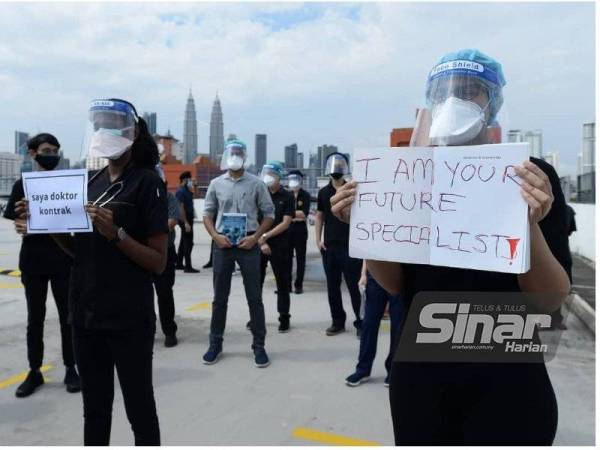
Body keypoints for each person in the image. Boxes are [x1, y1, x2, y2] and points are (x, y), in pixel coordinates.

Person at [330, 49, 571, 445]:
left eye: (472, 91)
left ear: (493, 104)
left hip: (508, 363)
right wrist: (368, 228)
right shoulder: (407, 173)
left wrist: (525, 224)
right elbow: (395, 283)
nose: (455, 100)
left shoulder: (530, 175)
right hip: (424, 363)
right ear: (430, 102)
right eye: (444, 93)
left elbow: (547, 299)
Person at [16, 99, 167, 445]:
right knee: (94, 410)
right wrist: (45, 224)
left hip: (128, 318)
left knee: (139, 409)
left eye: (115, 124)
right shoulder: (88, 181)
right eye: (100, 125)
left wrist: (117, 234)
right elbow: (77, 250)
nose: (107, 131)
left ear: (133, 131)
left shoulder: (147, 184)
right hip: (85, 315)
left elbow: (157, 261)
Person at [4, 133, 81, 398]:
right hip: (34, 260)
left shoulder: (69, 184)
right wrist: (22, 223)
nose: (53, 154)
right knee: (34, 318)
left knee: (67, 317)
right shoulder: (21, 186)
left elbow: (78, 217)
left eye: (56, 150)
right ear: (33, 153)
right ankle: (34, 370)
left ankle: (72, 368)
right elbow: (16, 221)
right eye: (47, 150)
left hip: (63, 259)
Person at [202, 139, 275, 367]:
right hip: (223, 244)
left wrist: (256, 237)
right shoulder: (216, 184)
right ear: (225, 155)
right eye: (231, 153)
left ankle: (259, 346)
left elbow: (269, 214)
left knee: (254, 297)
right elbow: (207, 214)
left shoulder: (256, 184)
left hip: (248, 243)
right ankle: (215, 344)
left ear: (245, 156)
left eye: (238, 153)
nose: (234, 156)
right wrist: (215, 236)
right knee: (219, 299)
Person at [315, 152, 363, 337]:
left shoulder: (352, 189)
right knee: (332, 286)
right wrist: (318, 240)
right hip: (329, 247)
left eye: (340, 166)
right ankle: (337, 321)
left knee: (354, 286)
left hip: (350, 246)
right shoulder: (323, 192)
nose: (336, 170)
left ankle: (360, 322)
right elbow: (319, 216)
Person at [345, 261, 406, 388]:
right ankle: (363, 369)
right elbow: (368, 247)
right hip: (375, 275)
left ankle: (393, 370)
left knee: (398, 325)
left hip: (399, 274)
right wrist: (364, 274)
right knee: (369, 324)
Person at [257, 162, 294, 332]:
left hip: (280, 245)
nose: (268, 176)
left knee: (282, 283)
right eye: (266, 173)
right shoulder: (260, 194)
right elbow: (254, 219)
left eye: (272, 173)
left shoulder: (287, 196)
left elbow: (286, 223)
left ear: (279, 176)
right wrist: (261, 240)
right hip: (259, 244)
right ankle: (256, 317)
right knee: (256, 283)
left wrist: (266, 236)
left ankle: (284, 317)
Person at [152, 164, 179, 347]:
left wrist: (149, 232)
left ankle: (169, 331)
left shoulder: (168, 197)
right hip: (140, 252)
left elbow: (172, 221)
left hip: (164, 251)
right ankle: (147, 328)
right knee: (142, 294)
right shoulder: (139, 196)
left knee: (164, 293)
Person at [287, 170, 311, 294]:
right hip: (287, 228)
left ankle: (298, 285)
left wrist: (288, 214)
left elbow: (304, 214)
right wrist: (293, 214)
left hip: (300, 229)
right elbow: (281, 214)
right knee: (287, 258)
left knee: (301, 258)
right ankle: (287, 285)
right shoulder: (286, 194)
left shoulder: (305, 195)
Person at [176, 171, 199, 273]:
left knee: (183, 241)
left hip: (189, 217)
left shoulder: (187, 190)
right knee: (188, 242)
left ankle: (179, 263)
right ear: (185, 180)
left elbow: (196, 196)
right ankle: (188, 266)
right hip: (185, 218)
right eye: (189, 179)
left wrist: (195, 186)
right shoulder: (180, 191)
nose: (191, 181)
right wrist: (185, 222)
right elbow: (181, 208)